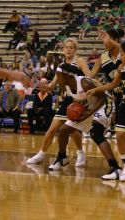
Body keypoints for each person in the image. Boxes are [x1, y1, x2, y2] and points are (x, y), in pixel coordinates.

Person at [89, 29, 125, 179]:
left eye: (123, 54)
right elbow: (105, 82)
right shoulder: (113, 64)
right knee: (121, 134)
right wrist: (94, 88)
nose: (120, 56)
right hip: (123, 102)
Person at [48, 63, 121, 176]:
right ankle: (62, 157)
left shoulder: (84, 82)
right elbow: (78, 99)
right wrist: (74, 110)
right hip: (89, 108)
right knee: (63, 131)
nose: (57, 79)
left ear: (67, 76)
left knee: (96, 133)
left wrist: (88, 114)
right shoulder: (67, 86)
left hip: (104, 104)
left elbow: (102, 97)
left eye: (59, 76)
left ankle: (115, 167)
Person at [27, 37, 91, 166]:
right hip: (67, 99)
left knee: (72, 129)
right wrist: (42, 85)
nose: (68, 49)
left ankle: (80, 153)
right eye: (66, 47)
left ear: (75, 50)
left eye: (71, 47)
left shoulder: (79, 61)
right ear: (63, 49)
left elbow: (90, 78)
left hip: (79, 99)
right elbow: (52, 85)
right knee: (53, 129)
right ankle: (41, 154)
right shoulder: (61, 66)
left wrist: (80, 87)